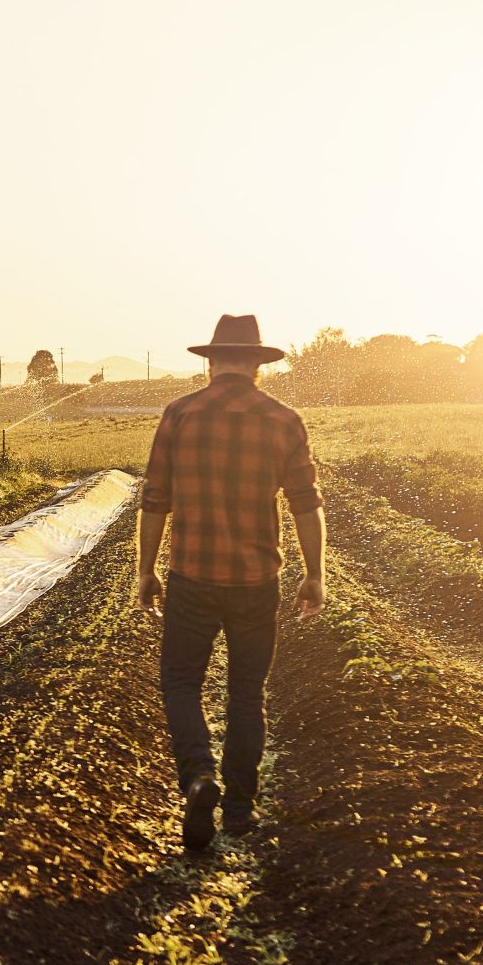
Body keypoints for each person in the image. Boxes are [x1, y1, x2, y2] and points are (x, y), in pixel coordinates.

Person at [134, 314, 326, 852]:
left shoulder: (180, 415)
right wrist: (315, 575)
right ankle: (240, 810)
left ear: (212, 361)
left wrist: (146, 570)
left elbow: (155, 501)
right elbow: (306, 506)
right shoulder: (284, 420)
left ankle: (198, 777)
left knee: (180, 682)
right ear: (258, 365)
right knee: (247, 692)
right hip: (256, 579)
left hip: (192, 574)